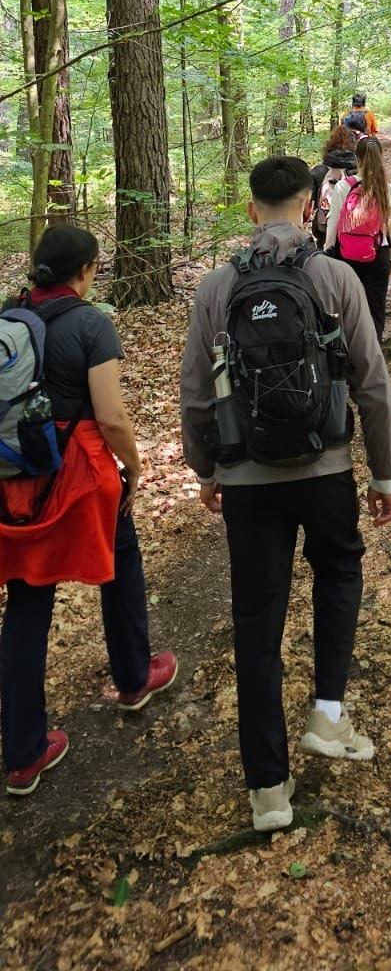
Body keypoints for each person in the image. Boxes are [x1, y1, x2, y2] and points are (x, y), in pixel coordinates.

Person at [181, 156, 391, 834]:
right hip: (325, 467)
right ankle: (327, 712)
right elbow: (371, 382)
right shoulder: (333, 277)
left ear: (252, 211)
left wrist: (206, 470)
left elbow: (194, 393)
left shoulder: (217, 288)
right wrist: (383, 473)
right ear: (309, 208)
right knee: (338, 570)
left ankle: (267, 789)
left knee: (256, 618)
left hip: (247, 478)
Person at [0, 227, 177, 797]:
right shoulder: (91, 324)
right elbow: (112, 417)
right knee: (120, 564)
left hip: (18, 480)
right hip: (78, 475)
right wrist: (134, 467)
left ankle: (24, 753)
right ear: (88, 270)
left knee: (28, 601)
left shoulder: (9, 318)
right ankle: (133, 677)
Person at [324, 136, 391, 342]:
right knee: (376, 308)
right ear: (381, 157)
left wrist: (327, 250)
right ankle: (373, 356)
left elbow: (334, 224)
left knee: (349, 308)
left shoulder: (343, 187)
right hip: (378, 254)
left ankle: (351, 355)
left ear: (356, 158)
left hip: (347, 256)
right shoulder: (388, 189)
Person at [309, 125, 358, 249]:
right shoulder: (359, 172)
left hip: (324, 232)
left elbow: (310, 204)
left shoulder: (318, 172)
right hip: (355, 230)